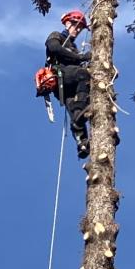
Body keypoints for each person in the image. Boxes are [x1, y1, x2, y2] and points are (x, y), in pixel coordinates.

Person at [46, 9, 91, 158]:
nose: (77, 30)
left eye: (80, 28)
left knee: (75, 109)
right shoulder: (57, 36)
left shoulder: (73, 47)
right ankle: (80, 113)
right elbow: (54, 48)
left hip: (68, 84)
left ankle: (82, 142)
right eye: (75, 25)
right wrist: (80, 58)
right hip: (61, 75)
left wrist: (81, 58)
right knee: (82, 74)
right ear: (67, 23)